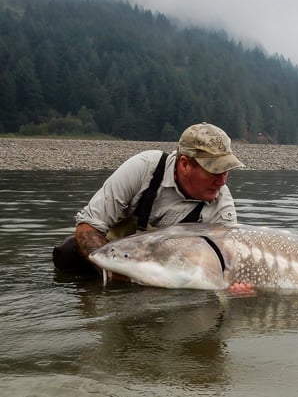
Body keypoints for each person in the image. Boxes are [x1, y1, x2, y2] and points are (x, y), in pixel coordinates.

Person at [53, 122, 252, 291]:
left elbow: (230, 262)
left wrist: (236, 285)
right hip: (115, 252)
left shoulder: (221, 205)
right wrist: (112, 270)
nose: (222, 181)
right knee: (68, 252)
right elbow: (87, 227)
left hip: (166, 269)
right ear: (184, 164)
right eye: (214, 171)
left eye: (226, 170)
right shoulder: (144, 168)